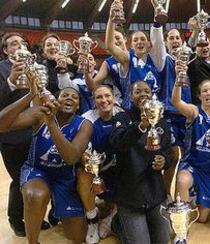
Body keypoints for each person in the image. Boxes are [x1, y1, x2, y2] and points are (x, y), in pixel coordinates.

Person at [0, 85, 92, 244]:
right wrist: (30, 96)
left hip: (65, 176)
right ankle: (33, 242)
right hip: (38, 171)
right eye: (65, 95)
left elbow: (71, 158)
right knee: (35, 196)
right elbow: (2, 124)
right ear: (56, 100)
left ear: (78, 106)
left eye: (74, 97)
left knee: (78, 237)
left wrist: (52, 125)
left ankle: (57, 207)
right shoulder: (41, 113)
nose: (69, 98)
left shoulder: (84, 124)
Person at [110, 80, 172, 244]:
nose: (143, 94)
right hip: (130, 196)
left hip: (155, 193)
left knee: (163, 241)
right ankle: (118, 223)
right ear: (131, 96)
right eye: (138, 92)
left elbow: (167, 152)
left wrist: (163, 160)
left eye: (146, 91)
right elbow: (118, 143)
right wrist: (141, 126)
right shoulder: (121, 117)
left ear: (152, 94)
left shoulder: (162, 122)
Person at [0, 32, 50, 236]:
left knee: (37, 179)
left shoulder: (36, 66)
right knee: (20, 180)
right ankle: (15, 219)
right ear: (5, 50)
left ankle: (35, 218)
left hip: (38, 133)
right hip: (13, 137)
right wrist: (11, 81)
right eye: (13, 44)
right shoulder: (2, 68)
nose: (19, 46)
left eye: (22, 43)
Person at [172, 74, 210, 232]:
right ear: (199, 95)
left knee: (202, 218)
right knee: (182, 181)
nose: (208, 93)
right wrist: (178, 81)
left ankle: (194, 199)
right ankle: (181, 228)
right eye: (205, 91)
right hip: (192, 165)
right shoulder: (194, 112)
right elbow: (176, 102)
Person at [77, 85, 122, 243]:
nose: (104, 100)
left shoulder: (122, 116)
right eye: (99, 97)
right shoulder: (87, 119)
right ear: (93, 101)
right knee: (83, 173)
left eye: (107, 96)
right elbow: (82, 151)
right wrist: (95, 172)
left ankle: (112, 215)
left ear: (114, 98)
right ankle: (92, 219)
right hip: (97, 170)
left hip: (118, 170)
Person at [152, 25, 192, 199]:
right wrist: (158, 24)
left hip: (188, 116)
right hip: (169, 114)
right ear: (166, 43)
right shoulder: (164, 60)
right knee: (173, 155)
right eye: (171, 38)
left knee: (189, 157)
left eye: (177, 38)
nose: (175, 40)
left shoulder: (189, 61)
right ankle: (166, 195)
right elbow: (157, 44)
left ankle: (182, 195)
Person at [101, 1, 162, 109]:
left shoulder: (155, 59)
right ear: (131, 46)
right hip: (132, 112)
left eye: (143, 39)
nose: (139, 42)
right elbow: (110, 45)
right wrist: (111, 19)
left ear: (149, 44)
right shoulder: (128, 59)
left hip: (154, 111)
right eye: (135, 40)